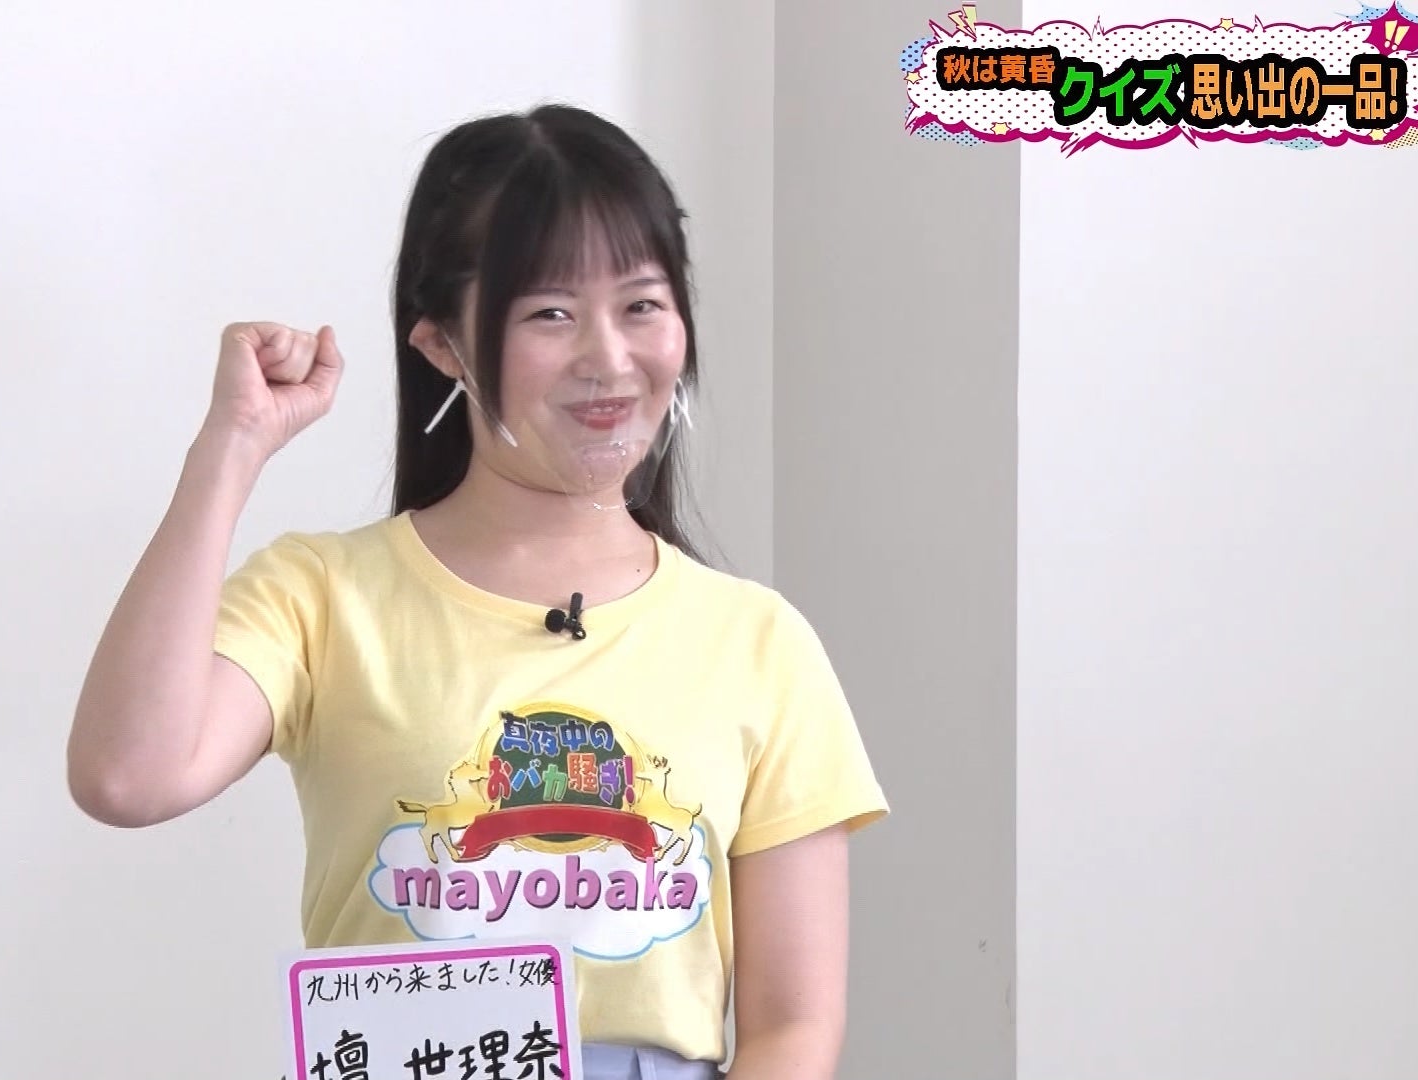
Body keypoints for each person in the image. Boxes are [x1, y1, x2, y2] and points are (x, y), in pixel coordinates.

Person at [66, 103, 888, 1080]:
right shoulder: (322, 595)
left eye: (641, 304)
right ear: (442, 345)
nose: (609, 359)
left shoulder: (759, 643)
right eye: (550, 313)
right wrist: (231, 447)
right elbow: (128, 777)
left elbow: (794, 1026)